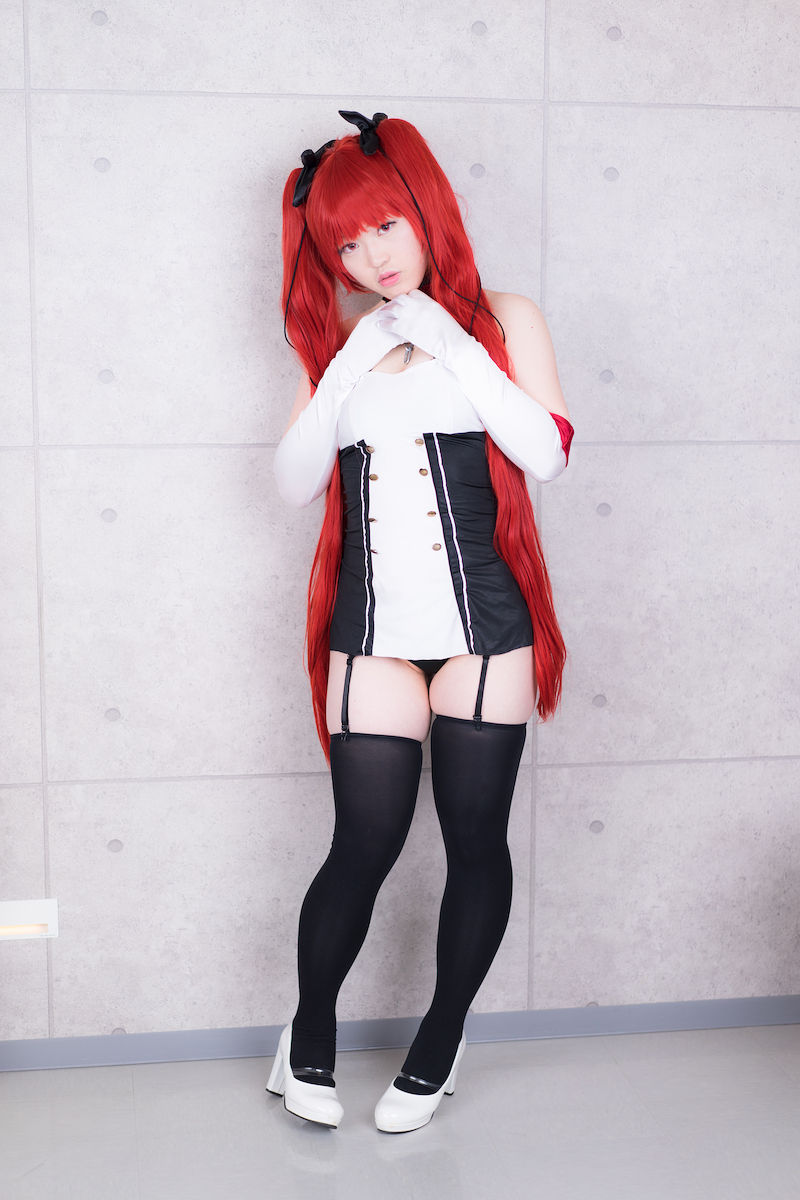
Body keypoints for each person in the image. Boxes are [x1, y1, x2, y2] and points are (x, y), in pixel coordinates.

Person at [266, 110, 573, 1133]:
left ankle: (440, 1038)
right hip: (373, 636)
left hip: (485, 630)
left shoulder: (504, 318)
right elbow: (291, 480)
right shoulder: (340, 344)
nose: (371, 258)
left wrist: (454, 343)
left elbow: (545, 452)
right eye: (347, 244)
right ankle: (307, 1033)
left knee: (475, 841)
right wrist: (349, 361)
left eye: (384, 227)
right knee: (363, 844)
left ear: (425, 208)